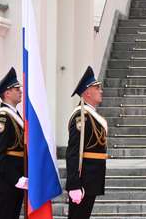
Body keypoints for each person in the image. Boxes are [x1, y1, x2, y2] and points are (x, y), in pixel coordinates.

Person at [64, 66, 109, 219]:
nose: (101, 91)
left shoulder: (91, 116)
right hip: (83, 180)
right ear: (87, 92)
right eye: (97, 88)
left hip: (92, 178)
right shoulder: (81, 117)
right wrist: (74, 184)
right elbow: (73, 152)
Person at [0, 67, 27, 219]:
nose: (20, 91)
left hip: (17, 179)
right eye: (16, 89)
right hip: (7, 181)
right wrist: (16, 178)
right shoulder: (3, 117)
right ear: (7, 93)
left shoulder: (15, 116)